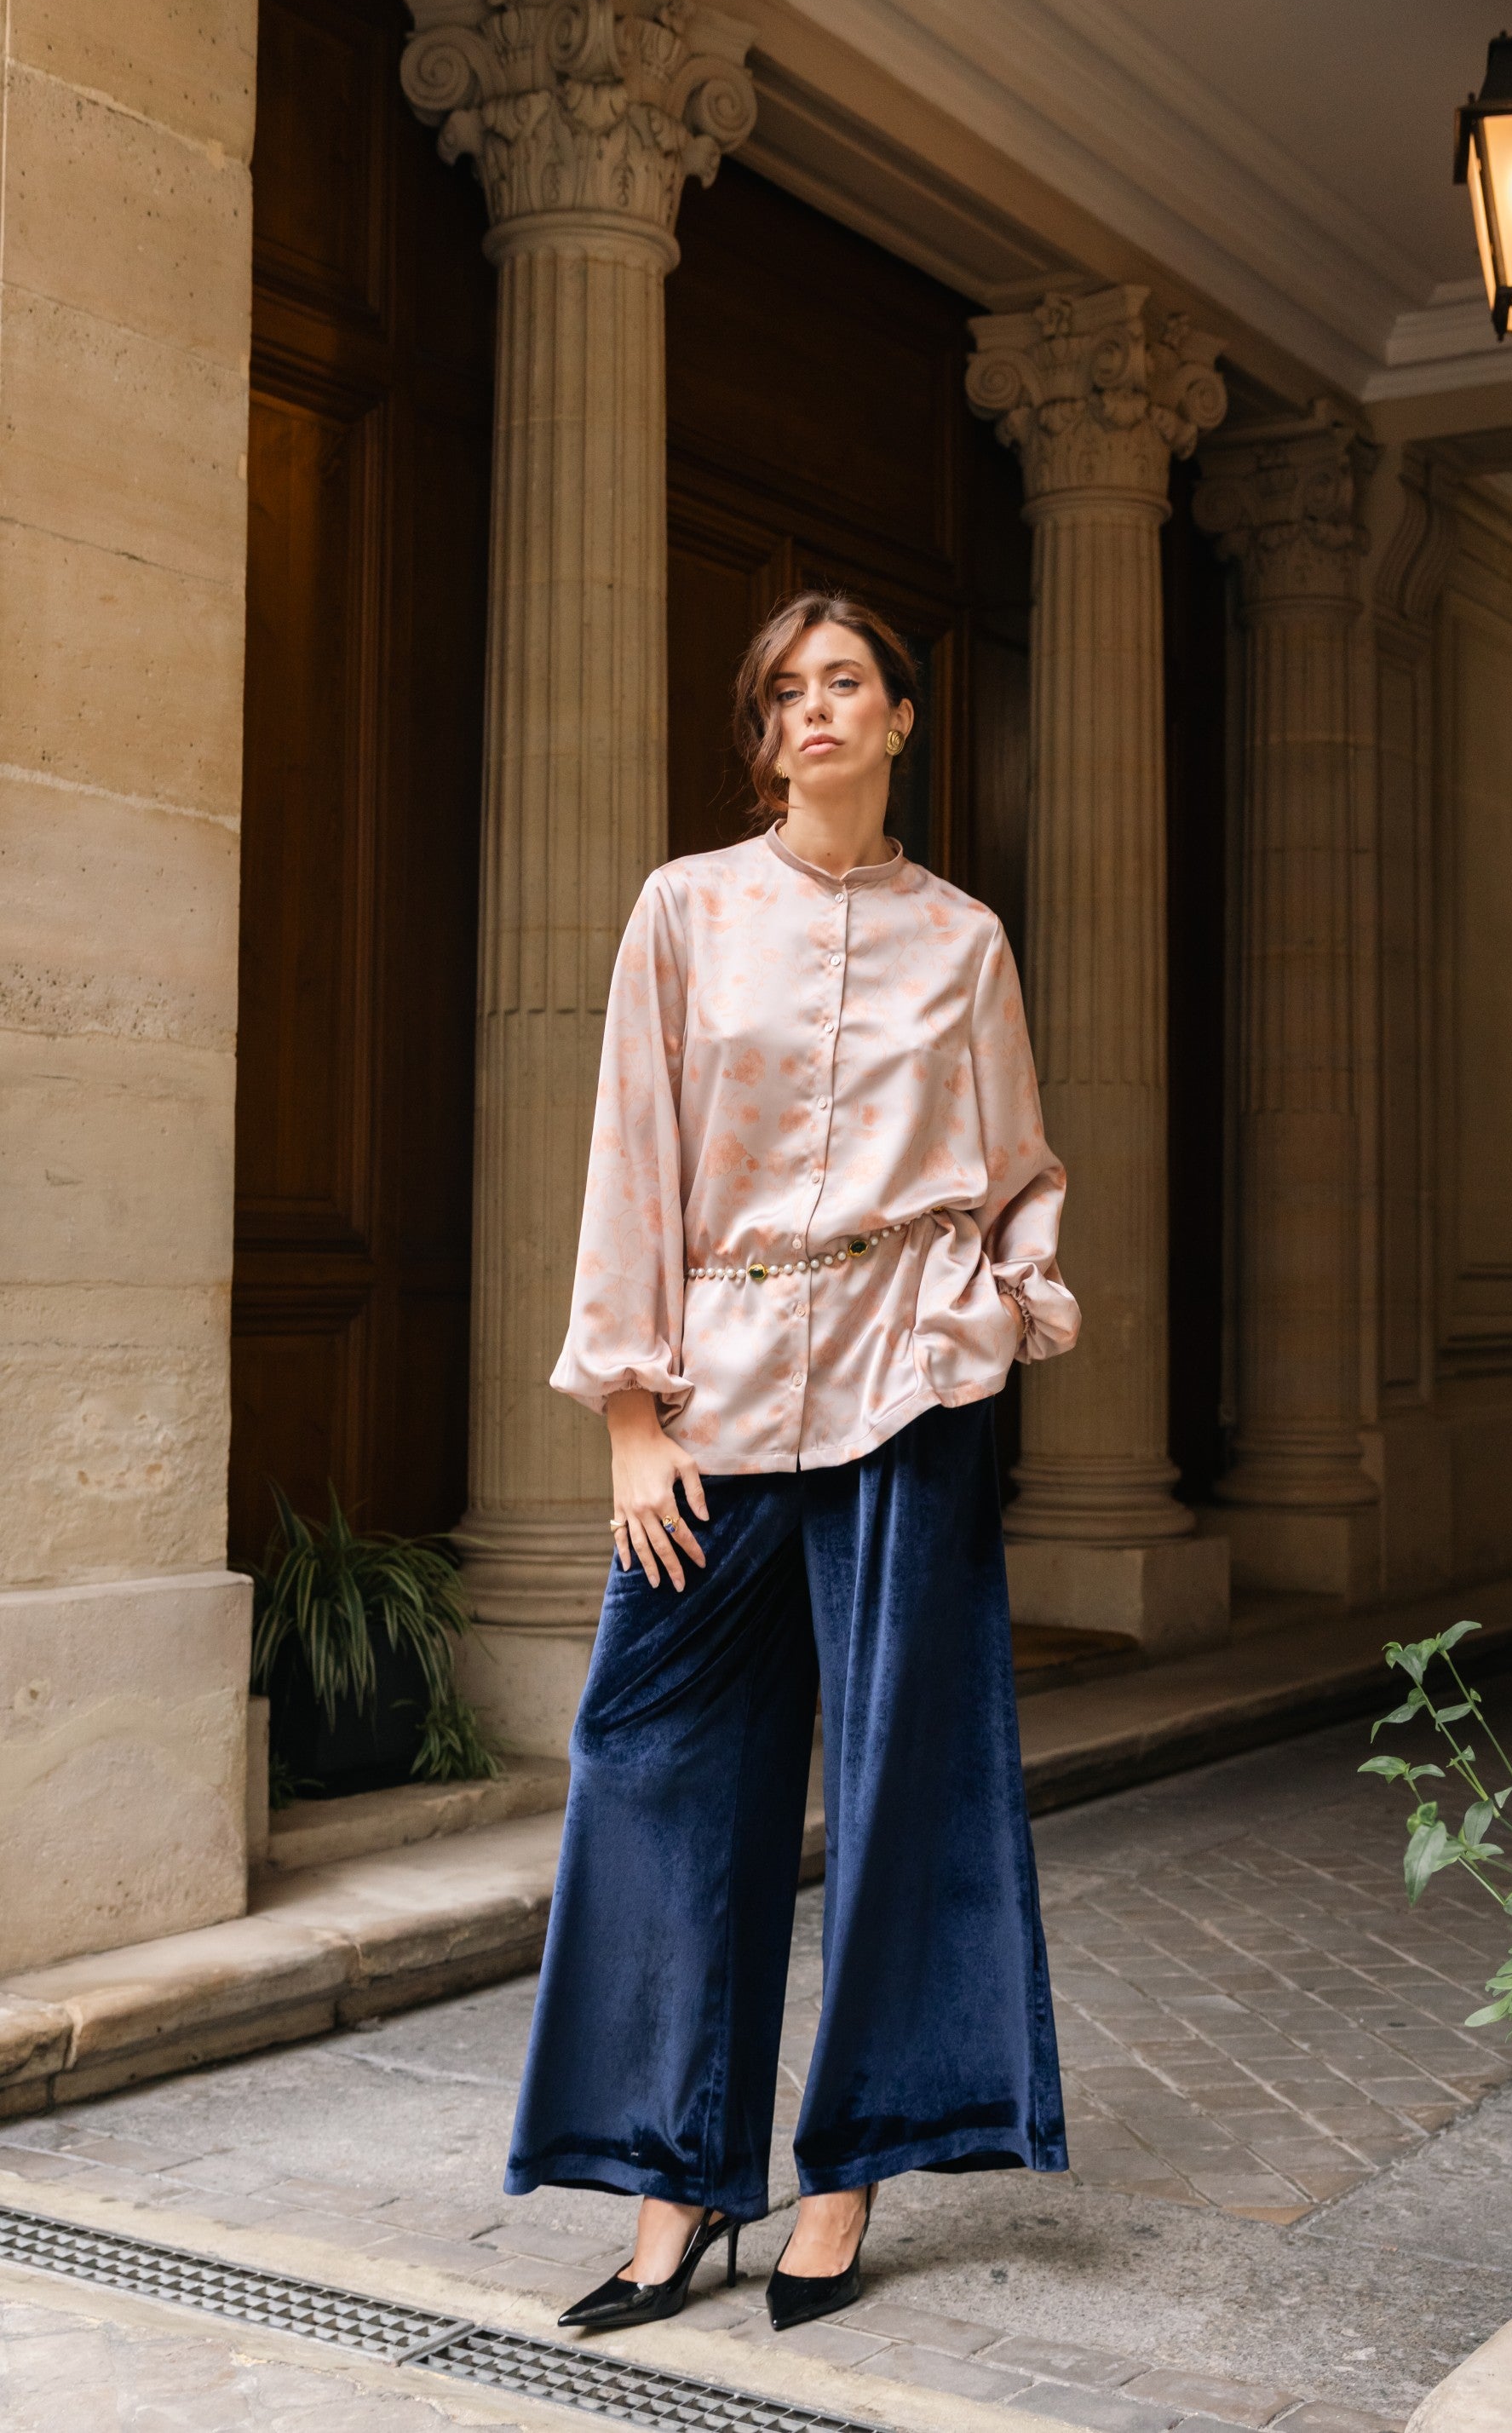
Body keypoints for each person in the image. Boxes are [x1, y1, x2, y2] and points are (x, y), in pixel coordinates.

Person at [504, 590, 1081, 2335]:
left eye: (844, 684)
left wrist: (999, 1309)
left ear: (901, 716)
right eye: (783, 693)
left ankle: (846, 2174)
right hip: (718, 1396)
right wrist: (629, 1416)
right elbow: (632, 1150)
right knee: (650, 1759)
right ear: (764, 733)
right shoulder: (685, 910)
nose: (811, 711)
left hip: (910, 1390)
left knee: (912, 1781)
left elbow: (1018, 1167)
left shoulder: (963, 940)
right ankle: (674, 2175)